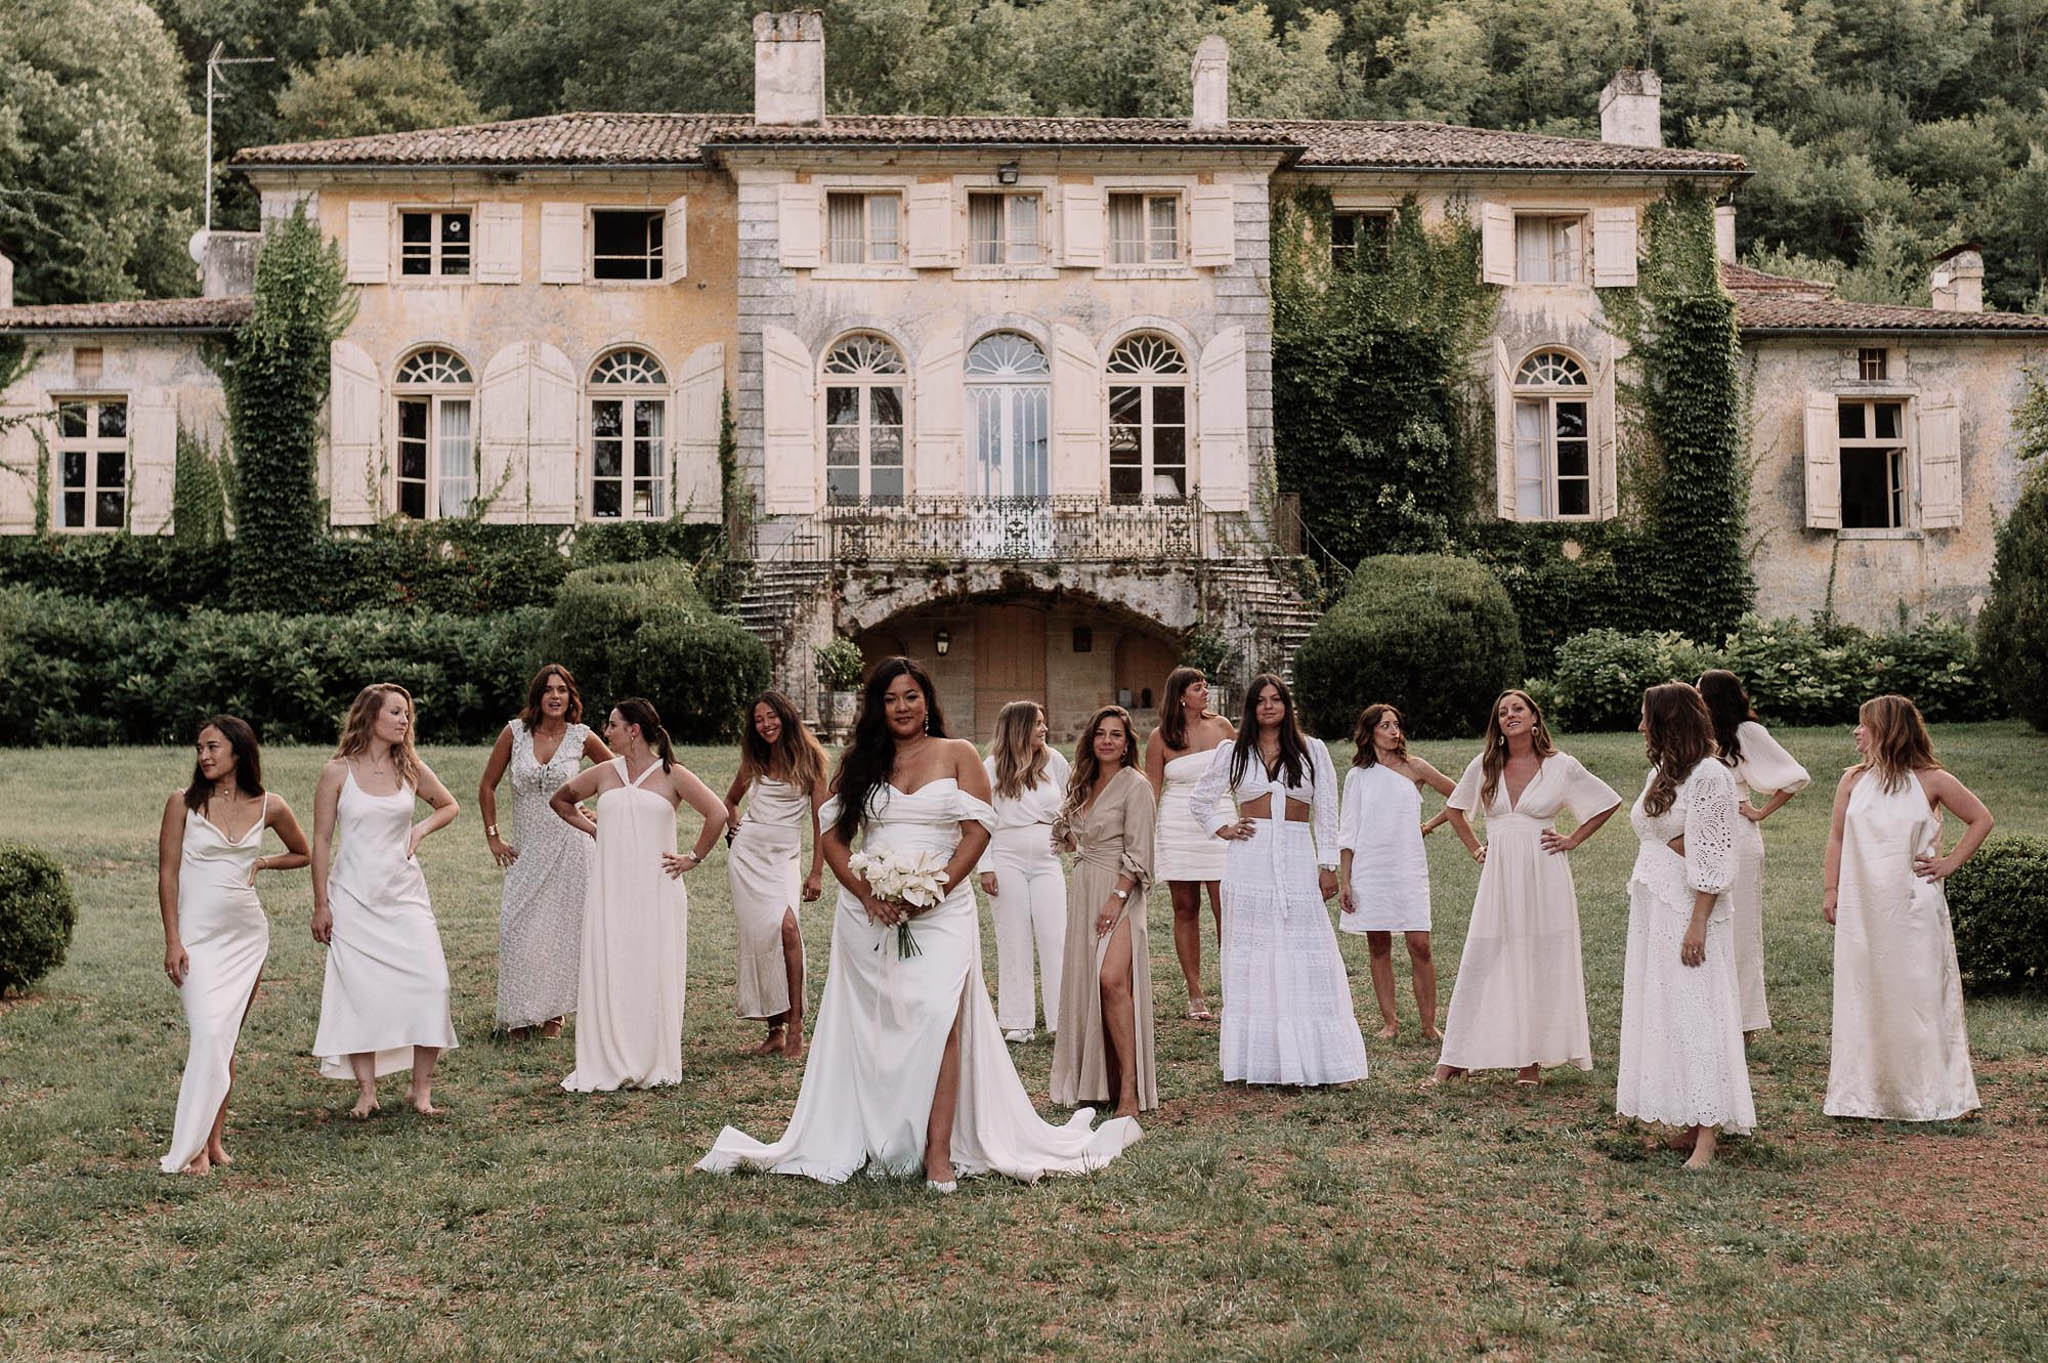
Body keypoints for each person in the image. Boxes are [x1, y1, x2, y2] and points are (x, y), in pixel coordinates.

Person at [696, 657, 1140, 1190]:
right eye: (890, 699)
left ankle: (939, 1152)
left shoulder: (959, 754)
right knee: (878, 1027)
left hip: (943, 909)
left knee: (939, 1014)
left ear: (927, 700)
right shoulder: (861, 760)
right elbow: (832, 835)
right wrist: (867, 895)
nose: (902, 707)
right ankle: (880, 1134)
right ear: (878, 707)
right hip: (870, 915)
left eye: (910, 696)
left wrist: (937, 889)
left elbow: (978, 831)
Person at [1432, 689, 1621, 1088]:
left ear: (1535, 717)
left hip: (1544, 872)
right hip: (1499, 874)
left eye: (1518, 708)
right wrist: (1476, 848)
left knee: (1539, 957)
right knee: (1482, 954)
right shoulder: (1486, 764)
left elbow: (1606, 801)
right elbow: (1454, 808)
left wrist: (1573, 838)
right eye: (1502, 711)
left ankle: (1529, 1060)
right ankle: (1455, 1057)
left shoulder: (1561, 766)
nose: (1509, 715)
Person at [1822, 695, 1993, 1122]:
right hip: (1863, 907)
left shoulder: (1932, 779)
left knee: (1920, 997)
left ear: (1888, 730)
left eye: (1865, 725)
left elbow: (1981, 819)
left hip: (1914, 907)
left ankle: (1936, 1096)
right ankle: (1863, 1096)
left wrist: (1948, 863)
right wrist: (1831, 889)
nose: (1857, 732)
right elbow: (1837, 837)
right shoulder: (1852, 781)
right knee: (1865, 994)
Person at [1191, 673, 1367, 1088]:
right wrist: (1223, 827)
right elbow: (1200, 799)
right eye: (1260, 700)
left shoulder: (1312, 750)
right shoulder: (1233, 751)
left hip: (1296, 854)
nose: (1268, 706)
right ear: (1251, 708)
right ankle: (1262, 1061)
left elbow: (1327, 809)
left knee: (1303, 951)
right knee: (1256, 954)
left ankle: (1321, 1060)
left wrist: (1327, 864)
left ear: (1287, 706)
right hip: (1249, 859)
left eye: (1276, 699)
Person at [156, 717, 310, 1174]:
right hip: (196, 939)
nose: (203, 755)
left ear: (239, 752)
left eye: (213, 747)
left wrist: (263, 862)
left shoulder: (269, 805)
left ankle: (214, 1140)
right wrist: (172, 939)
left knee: (225, 1040)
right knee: (208, 1033)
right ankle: (193, 1149)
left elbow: (303, 852)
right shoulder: (182, 803)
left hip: (246, 937)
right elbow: (167, 875)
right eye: (199, 748)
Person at [551, 697, 727, 1092]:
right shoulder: (604, 773)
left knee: (651, 968)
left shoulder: (672, 774)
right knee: (613, 964)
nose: (606, 731)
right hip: (610, 887)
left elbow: (718, 813)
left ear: (634, 731)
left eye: (613, 725)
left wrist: (693, 857)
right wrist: (594, 829)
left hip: (656, 889)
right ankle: (607, 1058)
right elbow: (560, 800)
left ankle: (652, 1058)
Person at [1615, 684, 1754, 1170]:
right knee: (1670, 1011)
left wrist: (1698, 923)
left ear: (1669, 722)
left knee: (1698, 1012)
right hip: (1655, 907)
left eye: (1646, 717)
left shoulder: (1712, 775)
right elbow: (1658, 834)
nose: (1640, 726)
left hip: (1689, 911)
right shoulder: (1662, 773)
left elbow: (1714, 852)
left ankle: (1708, 1134)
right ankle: (1691, 1119)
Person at [310, 684, 462, 1118]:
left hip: (405, 896)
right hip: (353, 897)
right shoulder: (337, 772)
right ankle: (367, 1091)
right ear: (370, 715)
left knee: (433, 984)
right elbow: (321, 841)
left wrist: (420, 829)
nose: (403, 720)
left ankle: (421, 1091)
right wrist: (321, 903)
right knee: (360, 991)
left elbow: (448, 805)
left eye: (407, 713)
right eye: (395, 712)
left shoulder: (410, 768)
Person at [479, 664, 612, 1040]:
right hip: (527, 850)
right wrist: (493, 835)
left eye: (562, 690)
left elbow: (618, 775)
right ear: (537, 695)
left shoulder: (581, 737)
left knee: (563, 930)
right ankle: (519, 1013)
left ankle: (554, 1013)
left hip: (572, 847)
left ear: (571, 697)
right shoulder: (514, 733)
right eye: (548, 690)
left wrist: (600, 812)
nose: (555, 696)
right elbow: (487, 786)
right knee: (518, 927)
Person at [1049, 705, 1156, 1117]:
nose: (1107, 741)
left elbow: (1140, 849)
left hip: (1120, 891)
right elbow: (1068, 833)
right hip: (1084, 889)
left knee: (1112, 979)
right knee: (1088, 983)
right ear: (1091, 740)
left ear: (1127, 744)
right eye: (1101, 734)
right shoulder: (1083, 782)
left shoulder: (1136, 786)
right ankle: (1097, 1082)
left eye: (1116, 735)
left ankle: (1128, 1087)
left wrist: (1117, 896)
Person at [1696, 669, 1809, 1036]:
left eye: (1700, 692)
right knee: (1702, 923)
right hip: (1699, 834)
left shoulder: (1747, 732)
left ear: (1716, 697)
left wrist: (1760, 811)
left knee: (1741, 927)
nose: (1695, 697)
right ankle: (1707, 1013)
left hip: (1738, 837)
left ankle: (1744, 1022)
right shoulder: (1699, 732)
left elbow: (1795, 776)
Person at [1338, 704, 1455, 1042]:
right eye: (1385, 725)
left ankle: (1429, 1025)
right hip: (1370, 869)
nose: (1394, 731)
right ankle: (1390, 1021)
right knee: (1378, 944)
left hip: (1407, 867)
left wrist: (1429, 825)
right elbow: (1348, 830)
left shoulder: (1415, 767)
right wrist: (1346, 880)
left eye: (1396, 725)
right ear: (1370, 731)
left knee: (1420, 945)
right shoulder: (1358, 776)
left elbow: (1460, 795)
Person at [723, 691, 828, 1060]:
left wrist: (816, 872)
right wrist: (734, 831)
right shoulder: (754, 759)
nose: (765, 724)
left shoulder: (811, 759)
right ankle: (775, 1030)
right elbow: (730, 801)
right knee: (761, 938)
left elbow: (820, 821)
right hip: (747, 859)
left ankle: (796, 1024)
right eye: (758, 720)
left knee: (787, 929)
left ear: (786, 716)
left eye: (771, 716)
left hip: (783, 858)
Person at [1145, 666, 1236, 1021]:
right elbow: (1152, 790)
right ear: (1181, 696)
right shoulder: (1160, 737)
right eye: (1198, 687)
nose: (1205, 692)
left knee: (1226, 906)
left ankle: (1235, 989)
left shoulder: (1223, 727)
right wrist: (1144, 836)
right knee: (1185, 907)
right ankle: (1195, 993)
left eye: (1204, 686)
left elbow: (1241, 775)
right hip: (1177, 824)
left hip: (1220, 818)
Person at [978, 701, 1069, 1044]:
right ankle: (1018, 1020)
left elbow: (1070, 801)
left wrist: (1067, 834)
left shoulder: (1054, 761)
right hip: (1006, 855)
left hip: (1047, 856)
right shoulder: (991, 767)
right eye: (1037, 724)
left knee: (1054, 935)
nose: (1044, 729)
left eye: (1044, 723)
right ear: (1018, 728)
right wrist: (986, 866)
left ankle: (1061, 1018)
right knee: (1013, 935)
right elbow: (981, 817)